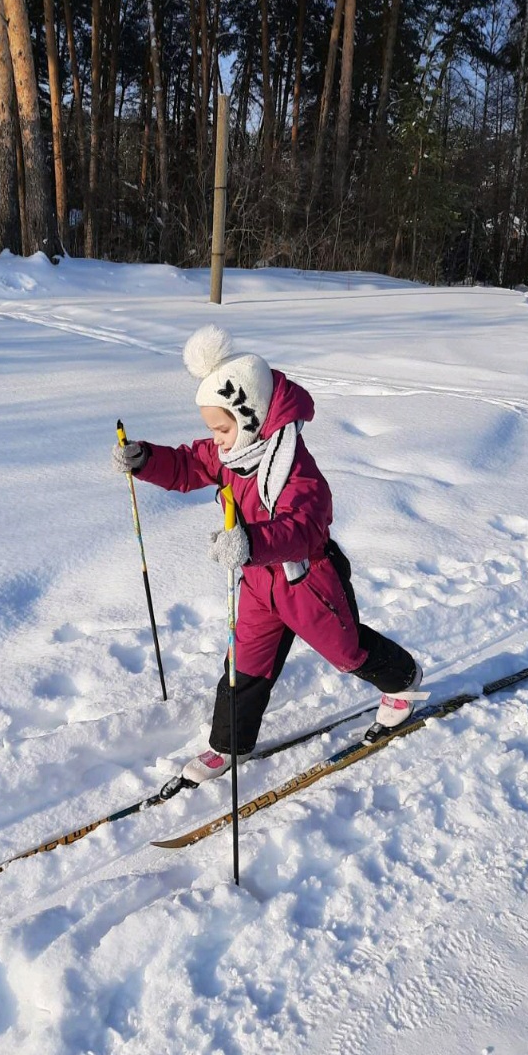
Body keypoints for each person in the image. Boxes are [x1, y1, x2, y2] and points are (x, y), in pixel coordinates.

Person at [112, 324, 423, 783]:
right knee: (245, 664)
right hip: (258, 584)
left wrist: (252, 543)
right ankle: (228, 745)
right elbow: (187, 464)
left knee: (347, 649)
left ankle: (403, 680)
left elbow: (304, 528)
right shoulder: (231, 454)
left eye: (222, 428)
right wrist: (144, 459)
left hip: (307, 581)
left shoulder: (297, 469)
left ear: (251, 416)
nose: (215, 439)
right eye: (212, 430)